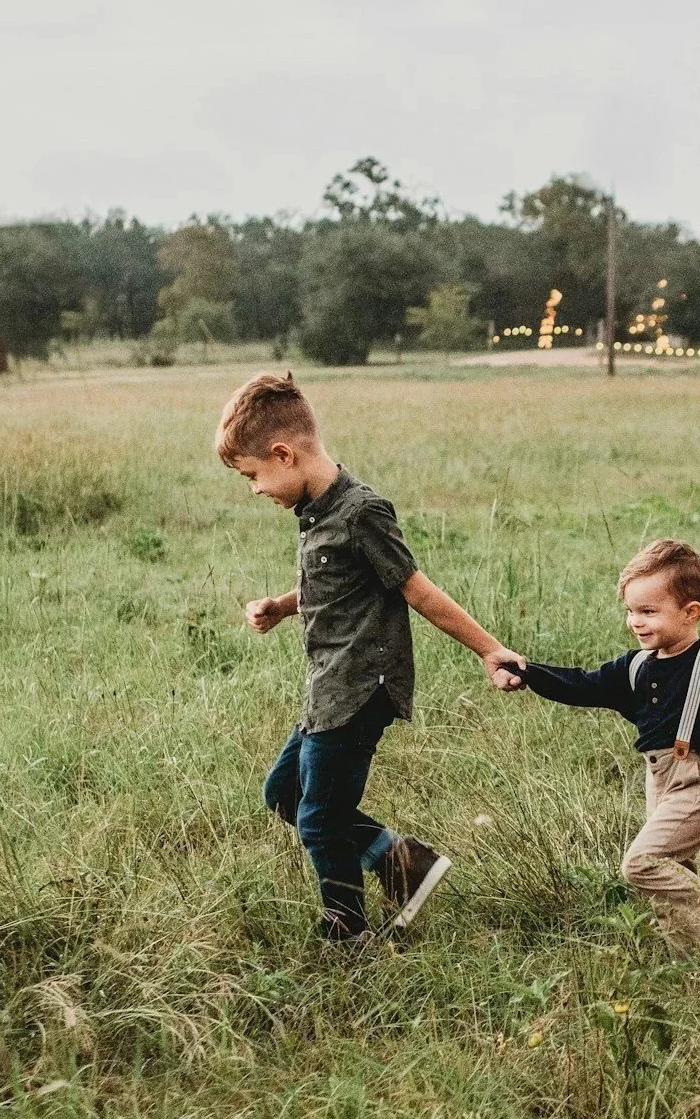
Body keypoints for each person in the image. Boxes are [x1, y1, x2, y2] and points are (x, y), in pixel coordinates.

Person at [219, 372, 525, 944]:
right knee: (283, 794)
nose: (255, 489)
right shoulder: (314, 511)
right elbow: (334, 585)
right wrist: (284, 606)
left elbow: (416, 589)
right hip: (328, 687)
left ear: (284, 454)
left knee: (319, 818)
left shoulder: (361, 511)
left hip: (361, 687)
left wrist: (491, 651)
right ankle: (404, 863)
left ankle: (347, 931)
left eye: (253, 475)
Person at [507, 539, 700, 963]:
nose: (636, 621)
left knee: (642, 864)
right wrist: (526, 672)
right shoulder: (635, 666)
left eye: (649, 611)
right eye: (631, 611)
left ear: (690, 613)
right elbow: (581, 685)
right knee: (671, 883)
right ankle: (696, 972)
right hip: (659, 784)